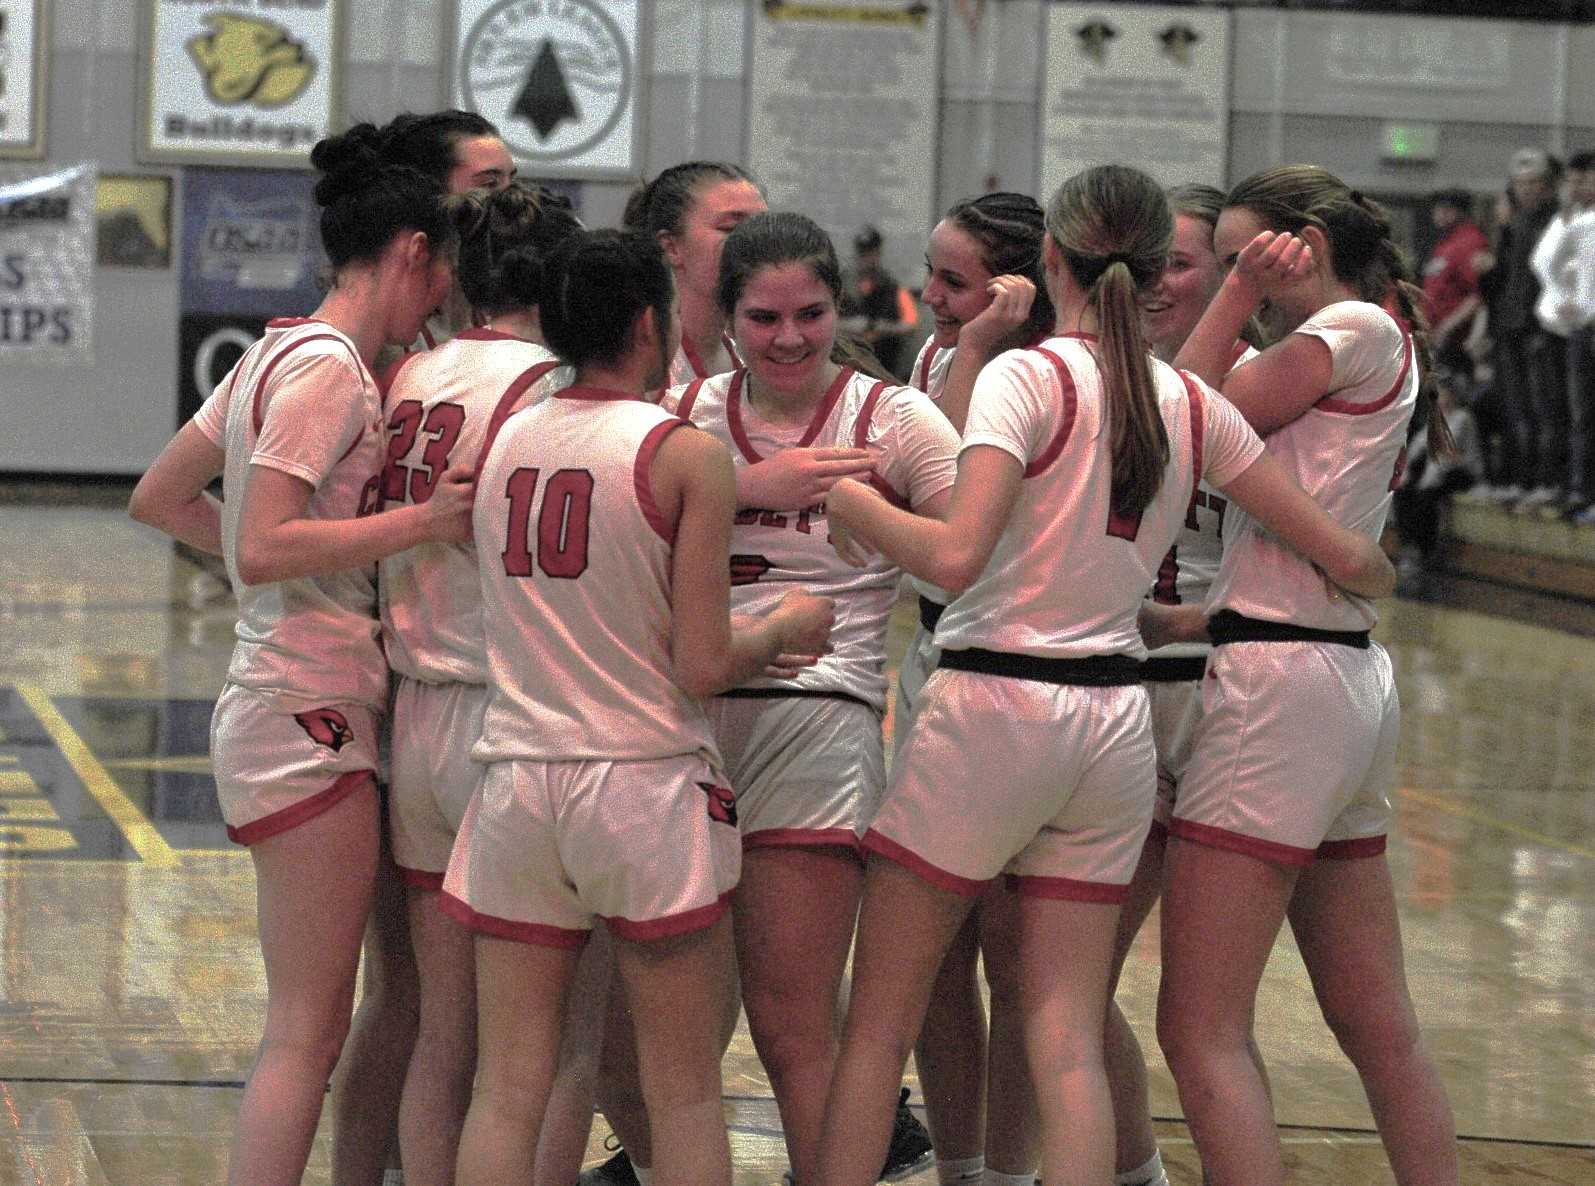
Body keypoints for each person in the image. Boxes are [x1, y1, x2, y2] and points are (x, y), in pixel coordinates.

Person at [809, 163, 1397, 1186]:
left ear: (1052, 256)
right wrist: (1369, 567)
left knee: (876, 1023)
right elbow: (1341, 552)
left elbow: (953, 559)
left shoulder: (1021, 376)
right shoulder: (1184, 398)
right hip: (1114, 722)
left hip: (992, 704)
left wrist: (852, 504)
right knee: (1066, 1030)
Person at [443, 227, 834, 1186]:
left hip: (518, 781)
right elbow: (702, 662)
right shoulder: (681, 454)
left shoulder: (504, 443)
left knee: (506, 1087)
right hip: (641, 788)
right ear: (652, 321)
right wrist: (784, 624)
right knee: (684, 1091)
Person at [127, 125, 470, 1186]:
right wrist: (412, 528)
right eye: (443, 272)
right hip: (301, 706)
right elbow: (268, 540)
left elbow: (164, 497)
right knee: (306, 1031)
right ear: (413, 250)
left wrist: (267, 559)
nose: (444, 299)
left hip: (285, 697)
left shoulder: (276, 350)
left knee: (316, 1021)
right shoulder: (328, 372)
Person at [1163, 165, 1460, 1186]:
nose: (1226, 275)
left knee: (1197, 1024)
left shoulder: (1349, 329)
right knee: (1375, 1023)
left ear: (1298, 245)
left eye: (1245, 252)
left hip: (1281, 686)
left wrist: (1237, 294)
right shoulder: (1366, 336)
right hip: (1329, 669)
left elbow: (1189, 424)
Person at [658, 210, 959, 1186]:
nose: (788, 337)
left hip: (817, 723)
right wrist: (749, 484)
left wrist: (867, 512)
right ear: (728, 316)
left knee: (796, 1025)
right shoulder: (685, 409)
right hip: (679, 722)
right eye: (763, 316)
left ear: (840, 304)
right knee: (667, 1042)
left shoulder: (895, 419)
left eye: (810, 313)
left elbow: (975, 560)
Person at [376, 180, 582, 1184]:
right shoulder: (550, 383)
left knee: (442, 1035)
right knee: (542, 1048)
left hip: (414, 711)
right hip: (509, 718)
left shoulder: (410, 371)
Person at [903, 191, 1056, 1186]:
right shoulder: (934, 362)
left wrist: (983, 342)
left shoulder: (1052, 373)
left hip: (1030, 673)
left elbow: (958, 491)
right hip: (934, 665)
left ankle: (1010, 1171)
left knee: (1019, 960)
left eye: (952, 282)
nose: (927, 297)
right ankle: (957, 1164)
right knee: (929, 961)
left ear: (1015, 284)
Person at [624, 161, 767, 385]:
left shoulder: (757, 357)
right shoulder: (635, 366)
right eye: (731, 228)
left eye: (765, 227)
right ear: (671, 247)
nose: (759, 242)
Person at [1528, 151, 1595, 520]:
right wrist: (1565, 300)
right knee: (1580, 413)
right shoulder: (1572, 220)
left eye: (1585, 179)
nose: (1577, 187)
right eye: (1572, 181)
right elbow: (1542, 263)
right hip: (1580, 329)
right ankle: (1580, 489)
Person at [1420, 189, 1488, 381]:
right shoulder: (1445, 243)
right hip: (1438, 337)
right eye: (1438, 208)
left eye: (1447, 209)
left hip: (1457, 340)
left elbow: (1477, 295)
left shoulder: (1469, 242)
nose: (1439, 214)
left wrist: (1447, 327)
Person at [841, 225, 921, 378]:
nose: (868, 259)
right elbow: (824, 320)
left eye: (872, 253)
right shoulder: (842, 286)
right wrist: (850, 326)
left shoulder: (892, 287)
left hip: (883, 366)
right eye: (863, 254)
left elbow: (911, 324)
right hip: (848, 365)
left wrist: (881, 327)